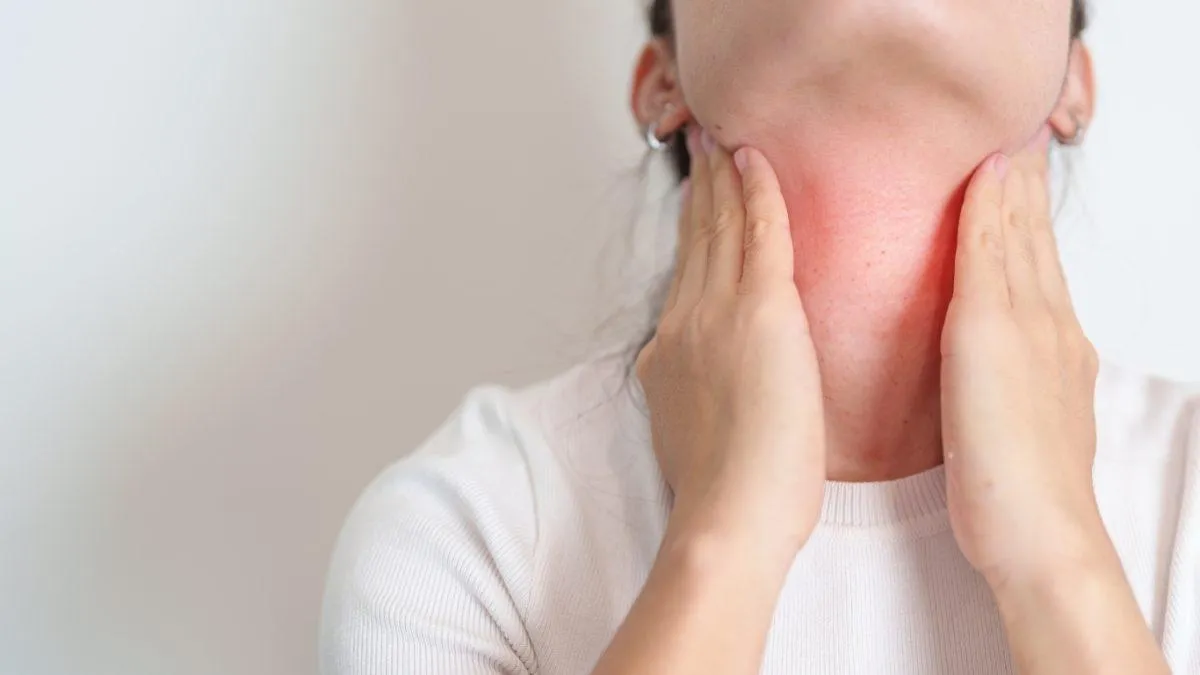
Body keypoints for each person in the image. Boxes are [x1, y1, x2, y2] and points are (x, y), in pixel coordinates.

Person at [320, 0, 1200, 672]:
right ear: (662, 82)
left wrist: (1059, 558)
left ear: (1074, 85)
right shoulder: (468, 536)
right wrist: (722, 539)